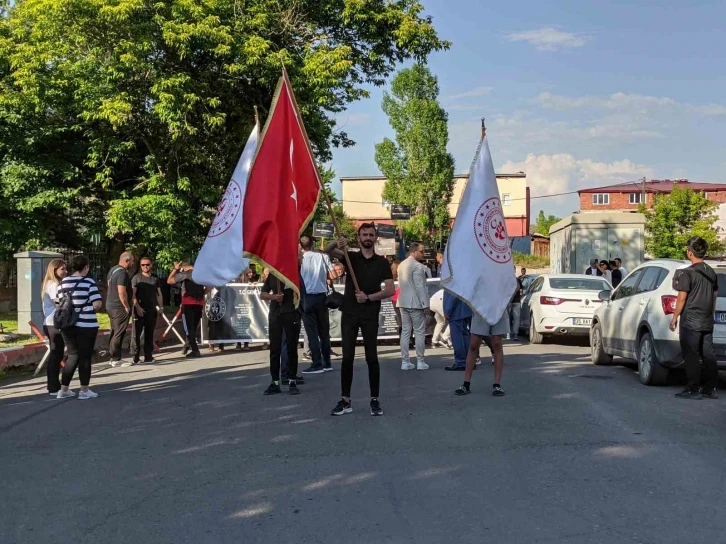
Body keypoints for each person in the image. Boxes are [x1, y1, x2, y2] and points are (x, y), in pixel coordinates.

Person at [326, 223, 395, 416]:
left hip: (370, 315)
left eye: (371, 234)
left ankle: (374, 400)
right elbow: (326, 251)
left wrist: (369, 297)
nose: (367, 237)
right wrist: (336, 242)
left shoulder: (382, 262)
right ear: (358, 237)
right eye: (364, 234)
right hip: (349, 313)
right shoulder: (350, 257)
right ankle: (345, 400)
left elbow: (390, 289)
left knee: (372, 358)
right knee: (347, 358)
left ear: (375, 238)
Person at [670, 236, 719, 400]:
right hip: (706, 319)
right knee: (708, 355)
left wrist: (675, 317)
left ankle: (693, 389)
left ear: (690, 253)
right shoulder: (711, 272)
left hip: (690, 319)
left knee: (691, 355)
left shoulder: (687, 273)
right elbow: (715, 295)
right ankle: (709, 389)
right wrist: (710, 314)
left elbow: (682, 298)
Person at [55, 255, 103, 399]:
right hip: (86, 325)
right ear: (86, 267)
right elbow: (97, 304)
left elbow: (59, 304)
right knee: (85, 357)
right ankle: (84, 390)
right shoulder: (89, 282)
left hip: (67, 325)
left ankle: (63, 390)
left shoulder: (62, 283)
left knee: (72, 356)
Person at [454, 298, 512, 397]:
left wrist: (506, 299)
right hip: (481, 307)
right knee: (474, 344)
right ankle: (466, 384)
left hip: (499, 307)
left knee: (497, 343)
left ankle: (497, 384)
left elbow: (514, 285)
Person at [259, 272, 302, 396]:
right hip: (275, 314)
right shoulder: (272, 275)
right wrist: (273, 297)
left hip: (291, 313)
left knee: (291, 348)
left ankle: (292, 381)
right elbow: (262, 294)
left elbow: (302, 292)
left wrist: (298, 311)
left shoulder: (294, 273)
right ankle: (275, 382)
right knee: (274, 349)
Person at [299, 236, 333, 374]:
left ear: (301, 246)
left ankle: (317, 363)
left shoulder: (299, 259)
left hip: (307, 296)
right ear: (313, 244)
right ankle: (327, 362)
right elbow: (334, 275)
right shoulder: (323, 256)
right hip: (322, 296)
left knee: (312, 332)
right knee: (324, 332)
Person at [397, 243, 431, 370]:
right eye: (422, 251)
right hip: (415, 303)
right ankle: (420, 361)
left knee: (406, 331)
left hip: (402, 301)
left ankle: (405, 361)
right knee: (419, 332)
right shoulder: (417, 266)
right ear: (414, 251)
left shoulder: (402, 264)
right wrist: (425, 304)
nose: (423, 253)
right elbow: (420, 287)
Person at [167, 261, 205, 358]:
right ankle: (187, 347)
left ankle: (195, 350)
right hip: (199, 303)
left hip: (188, 303)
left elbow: (169, 281)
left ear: (184, 267)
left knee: (189, 329)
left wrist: (175, 269)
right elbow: (210, 286)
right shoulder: (201, 274)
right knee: (194, 327)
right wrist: (202, 294)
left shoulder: (185, 274)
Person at [41, 258, 67, 396]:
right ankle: (53, 387)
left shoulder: (54, 284)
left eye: (65, 268)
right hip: (53, 323)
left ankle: (55, 385)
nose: (65, 271)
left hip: (53, 322)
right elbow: (58, 303)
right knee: (56, 355)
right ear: (54, 270)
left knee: (57, 354)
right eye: (62, 269)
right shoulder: (53, 285)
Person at [131, 256, 163, 364]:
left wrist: (161, 307)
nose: (145, 266)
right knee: (137, 334)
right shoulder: (136, 278)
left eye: (147, 264)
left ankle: (148, 356)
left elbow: (159, 294)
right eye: (143, 265)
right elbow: (133, 295)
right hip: (139, 310)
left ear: (151, 265)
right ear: (140, 266)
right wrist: (138, 308)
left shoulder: (155, 278)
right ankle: (135, 357)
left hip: (151, 310)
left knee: (149, 334)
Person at [106, 251, 134, 367]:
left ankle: (113, 357)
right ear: (127, 261)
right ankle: (115, 359)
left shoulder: (113, 270)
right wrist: (126, 306)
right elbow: (121, 291)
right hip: (119, 306)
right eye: (132, 261)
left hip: (110, 305)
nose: (133, 263)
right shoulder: (122, 273)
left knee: (114, 331)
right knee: (119, 332)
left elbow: (109, 284)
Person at [444, 291, 472, 371]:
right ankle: (469, 361)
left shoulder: (452, 278)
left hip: (455, 311)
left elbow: (453, 293)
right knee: (465, 335)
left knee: (457, 337)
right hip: (464, 309)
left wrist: (447, 309)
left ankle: (460, 362)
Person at [507, 266, 523, 340]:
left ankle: (508, 334)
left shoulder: (506, 279)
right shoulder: (518, 279)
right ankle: (515, 334)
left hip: (508, 301)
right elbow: (520, 289)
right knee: (516, 318)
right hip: (516, 301)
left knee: (508, 317)